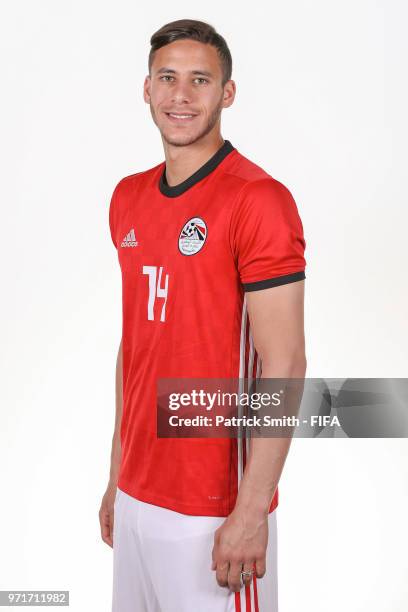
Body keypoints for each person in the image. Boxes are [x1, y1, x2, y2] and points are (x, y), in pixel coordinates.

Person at [99, 18, 307, 612]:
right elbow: (135, 346)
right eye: (167, 78)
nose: (181, 95)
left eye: (199, 80)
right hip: (138, 498)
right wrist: (118, 476)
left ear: (228, 93)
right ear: (146, 90)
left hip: (213, 508)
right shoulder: (128, 197)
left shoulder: (257, 200)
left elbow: (285, 361)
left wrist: (251, 510)